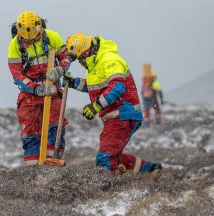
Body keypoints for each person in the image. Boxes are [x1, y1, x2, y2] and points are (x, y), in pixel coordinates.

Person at [64, 33, 162, 173]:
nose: (81, 62)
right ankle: (151, 170)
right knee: (113, 156)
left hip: (123, 114)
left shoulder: (109, 60)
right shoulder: (95, 65)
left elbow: (117, 87)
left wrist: (96, 105)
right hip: (116, 117)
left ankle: (108, 189)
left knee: (105, 158)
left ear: (86, 52)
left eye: (80, 59)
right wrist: (74, 82)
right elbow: (93, 87)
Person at [8, 11, 70, 165]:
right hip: (30, 92)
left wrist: (60, 69)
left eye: (34, 34)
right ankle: (33, 168)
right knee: (30, 132)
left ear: (40, 27)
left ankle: (53, 162)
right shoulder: (15, 45)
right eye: (26, 36)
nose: (30, 38)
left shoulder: (52, 37)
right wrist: (35, 88)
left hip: (52, 86)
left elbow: (66, 57)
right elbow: (17, 75)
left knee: (55, 126)